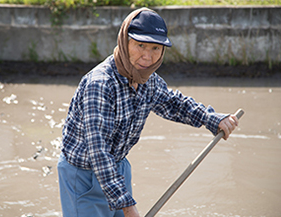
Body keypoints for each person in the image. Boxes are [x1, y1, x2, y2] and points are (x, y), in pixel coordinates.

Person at [57, 7, 238, 217]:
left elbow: (174, 103)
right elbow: (99, 153)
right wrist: (127, 206)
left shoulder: (147, 80)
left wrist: (212, 119)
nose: (147, 56)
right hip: (84, 177)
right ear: (125, 42)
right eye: (140, 45)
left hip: (118, 168)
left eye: (155, 48)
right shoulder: (100, 84)